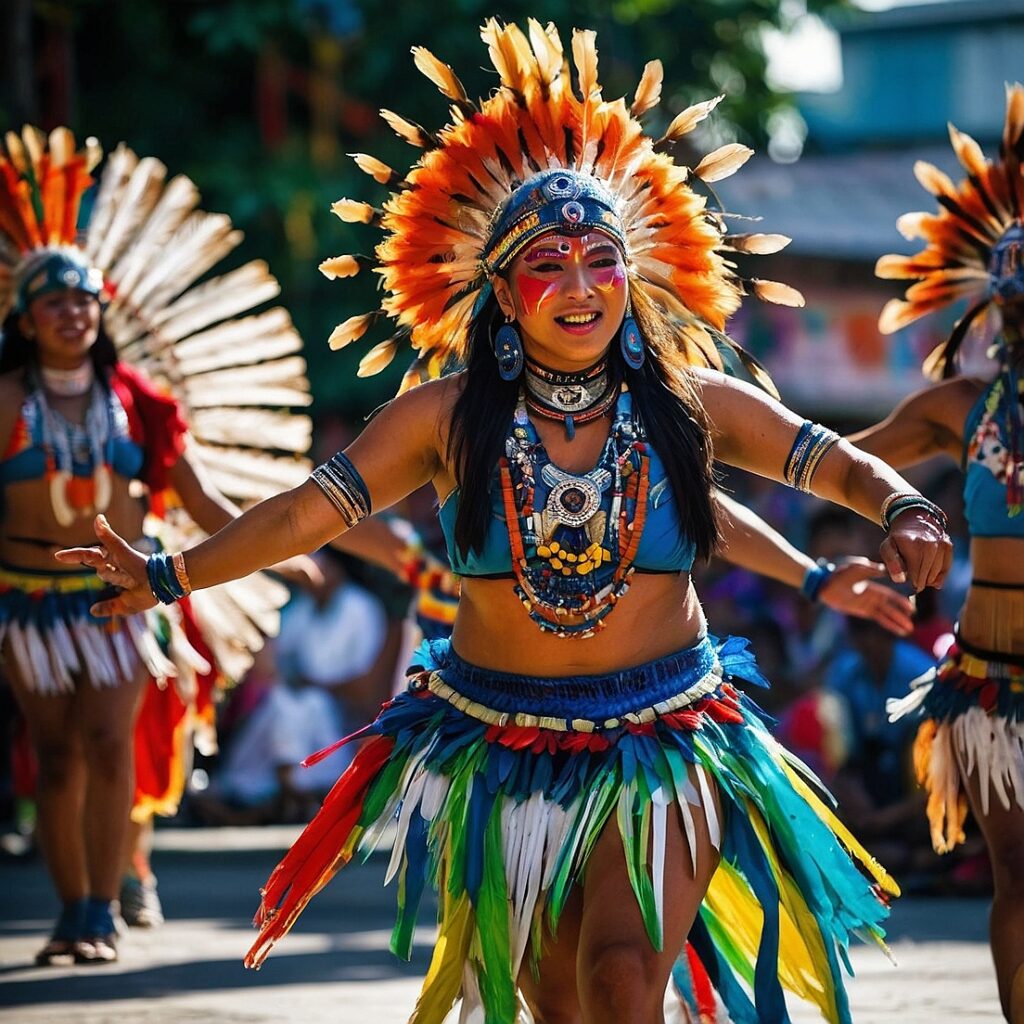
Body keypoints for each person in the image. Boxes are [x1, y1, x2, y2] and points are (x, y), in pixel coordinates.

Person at [61, 23, 951, 1023]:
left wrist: (903, 504)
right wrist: (175, 572)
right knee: (559, 1002)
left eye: (599, 261)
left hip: (665, 738)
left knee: (622, 979)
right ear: (500, 292)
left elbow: (825, 456)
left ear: (631, 275)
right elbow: (307, 511)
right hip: (498, 746)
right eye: (549, 264)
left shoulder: (688, 402)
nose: (579, 286)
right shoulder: (443, 419)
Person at [0, 127, 313, 964]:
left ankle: (100, 911)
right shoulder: (4, 402)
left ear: (100, 311)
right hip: (28, 603)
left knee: (108, 745)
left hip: (122, 601)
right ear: (26, 321)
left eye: (82, 301)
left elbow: (200, 497)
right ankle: (71, 909)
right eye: (52, 303)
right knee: (55, 758)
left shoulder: (139, 402)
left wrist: (281, 545)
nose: (71, 314)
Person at [847, 83, 1024, 1022]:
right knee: (1018, 879)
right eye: (1013, 296)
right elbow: (846, 462)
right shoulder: (965, 410)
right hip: (992, 680)